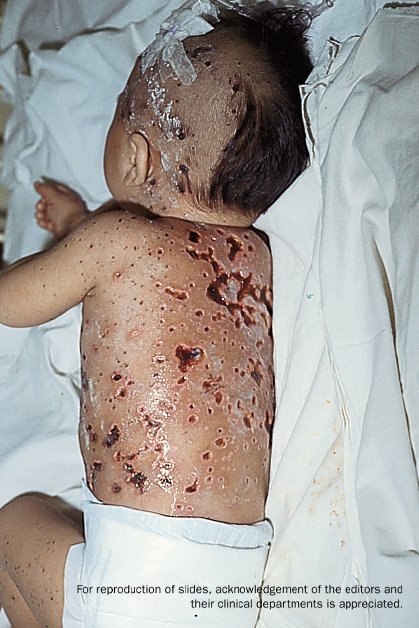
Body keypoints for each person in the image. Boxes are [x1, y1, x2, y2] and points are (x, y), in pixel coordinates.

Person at [0, 2, 312, 626]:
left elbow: (14, 303)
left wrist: (76, 239)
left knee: (12, 524)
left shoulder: (116, 239)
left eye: (117, 113)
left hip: (127, 585)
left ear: (138, 160)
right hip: (230, 580)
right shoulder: (255, 259)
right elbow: (156, 270)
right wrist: (75, 226)